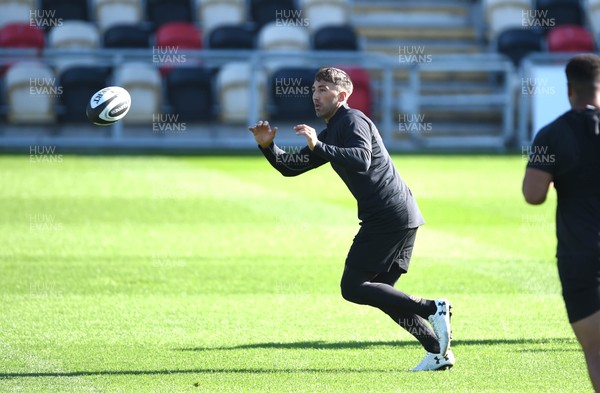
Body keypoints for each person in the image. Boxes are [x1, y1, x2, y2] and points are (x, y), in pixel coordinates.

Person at [249, 67, 454, 371]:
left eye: (323, 90)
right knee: (384, 294)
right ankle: (437, 351)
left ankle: (433, 307)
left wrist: (319, 146)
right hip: (398, 214)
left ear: (342, 95)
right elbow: (291, 167)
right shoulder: (333, 130)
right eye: (314, 90)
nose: (316, 96)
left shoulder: (352, 119)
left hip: (387, 214)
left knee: (353, 287)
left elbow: (361, 159)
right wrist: (268, 146)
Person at [522, 54, 600, 391]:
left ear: (568, 88)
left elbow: (533, 194)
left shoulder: (550, 135)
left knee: (596, 354)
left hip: (580, 253)